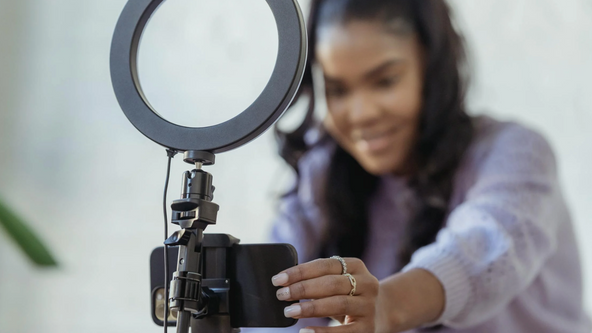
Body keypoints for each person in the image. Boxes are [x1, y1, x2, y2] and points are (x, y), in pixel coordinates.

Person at [250, 0, 591, 332]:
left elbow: (482, 250)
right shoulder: (321, 174)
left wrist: (386, 307)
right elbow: (278, 310)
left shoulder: (515, 153)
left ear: (431, 67)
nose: (362, 113)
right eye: (337, 90)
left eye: (385, 81)